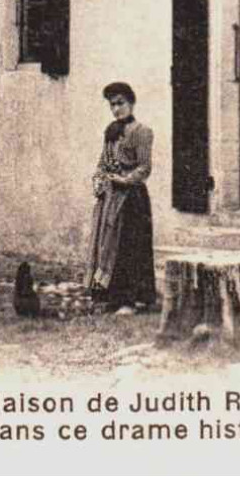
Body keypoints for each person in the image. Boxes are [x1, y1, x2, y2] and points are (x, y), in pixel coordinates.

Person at [85, 81, 158, 314]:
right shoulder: (111, 131)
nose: (117, 109)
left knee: (129, 246)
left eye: (121, 103)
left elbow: (144, 168)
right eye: (112, 105)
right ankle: (111, 297)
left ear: (131, 103)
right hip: (109, 198)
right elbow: (102, 162)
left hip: (131, 199)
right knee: (107, 245)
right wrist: (98, 179)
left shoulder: (142, 132)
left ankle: (131, 300)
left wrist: (123, 180)